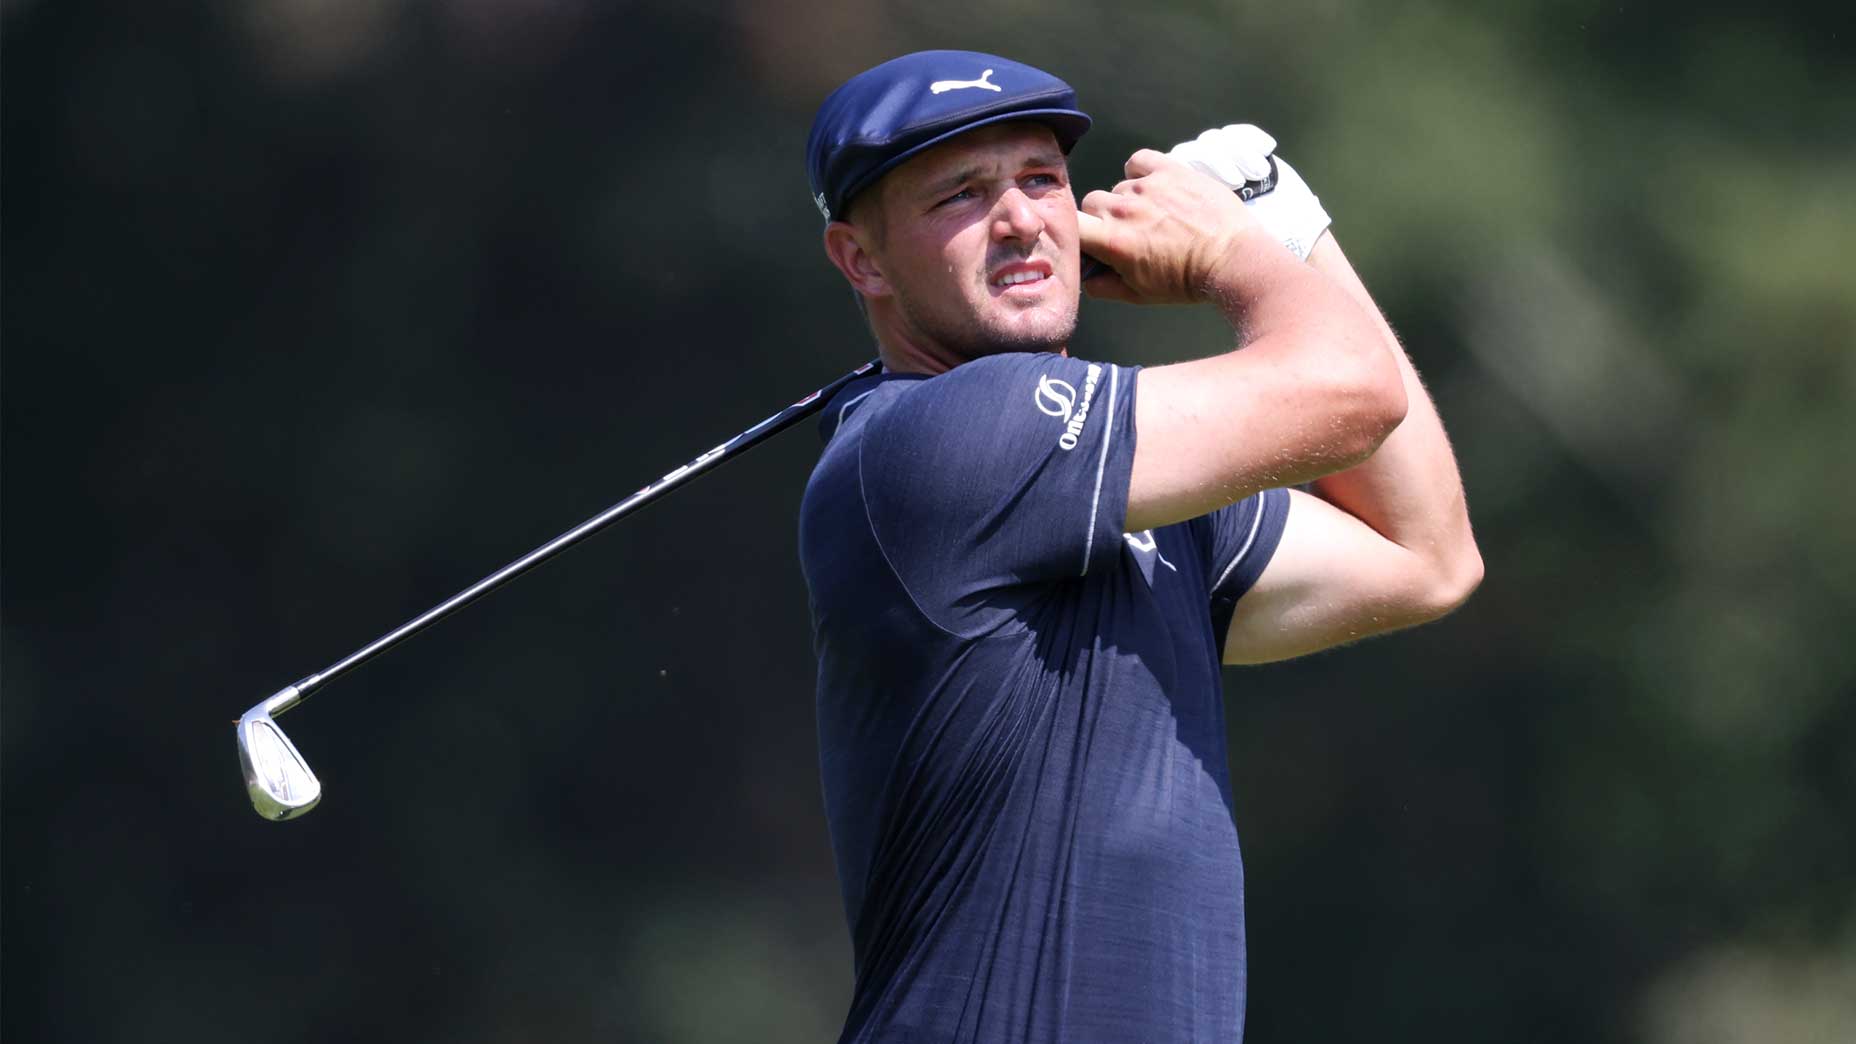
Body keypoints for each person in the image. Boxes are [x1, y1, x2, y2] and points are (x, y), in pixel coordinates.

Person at [798, 49, 1481, 1042]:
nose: (1023, 219)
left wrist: (1286, 227)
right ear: (861, 259)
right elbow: (1355, 390)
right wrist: (1238, 254)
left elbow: (1427, 553)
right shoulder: (939, 438)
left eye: (1040, 179)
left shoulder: (1119, 492)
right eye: (960, 194)